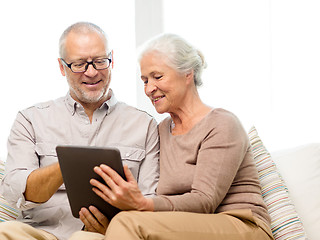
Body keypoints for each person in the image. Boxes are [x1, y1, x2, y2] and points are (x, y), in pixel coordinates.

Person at [0, 22, 159, 240]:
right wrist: (68, 164)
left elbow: (150, 203)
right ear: (62, 66)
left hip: (105, 234)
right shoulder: (31, 119)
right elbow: (17, 191)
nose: (91, 72)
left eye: (100, 61)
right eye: (79, 64)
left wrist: (114, 227)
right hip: (41, 232)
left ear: (112, 59)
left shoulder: (144, 125)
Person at [84, 33, 274, 240]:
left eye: (157, 77)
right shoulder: (160, 131)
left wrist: (142, 204)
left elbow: (204, 201)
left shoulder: (221, 123)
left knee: (128, 221)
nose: (149, 89)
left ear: (187, 74)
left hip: (241, 226)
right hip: (186, 227)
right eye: (145, 80)